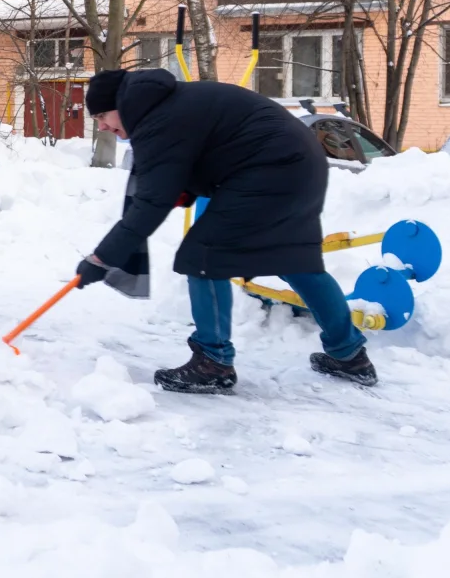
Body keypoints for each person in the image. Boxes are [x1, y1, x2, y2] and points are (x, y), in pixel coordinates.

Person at [76, 68, 377, 392]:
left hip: (269, 169)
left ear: (119, 104)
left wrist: (102, 259)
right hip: (303, 165)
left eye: (103, 115)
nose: (103, 126)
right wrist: (186, 189)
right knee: (296, 260)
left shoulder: (155, 118)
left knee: (204, 256)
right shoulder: (167, 104)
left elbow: (149, 204)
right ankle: (350, 355)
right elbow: (209, 152)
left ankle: (213, 362)